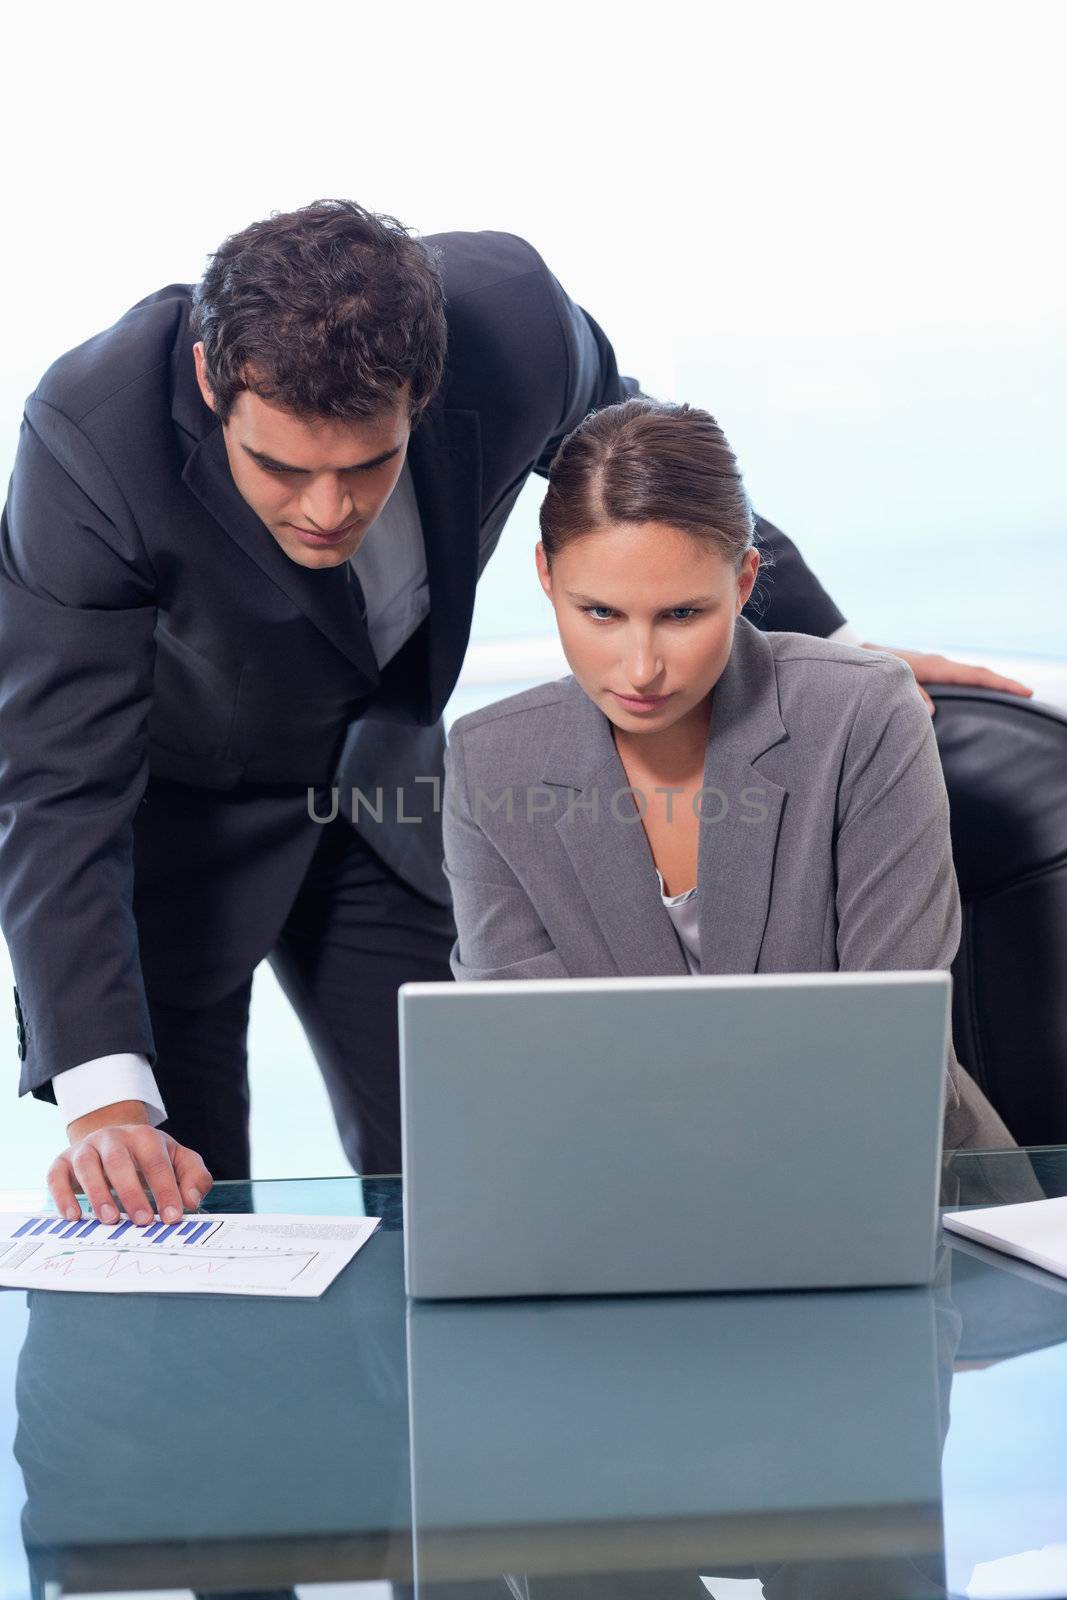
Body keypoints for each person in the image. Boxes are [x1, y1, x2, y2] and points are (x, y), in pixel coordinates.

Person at [2, 205, 1025, 1222]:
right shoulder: (93, 436)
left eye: (364, 466)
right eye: (281, 468)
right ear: (207, 383)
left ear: (426, 391)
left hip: (385, 793)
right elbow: (55, 776)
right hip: (177, 830)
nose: (325, 510)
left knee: (481, 1184)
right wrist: (105, 1106)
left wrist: (826, 656)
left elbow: (652, 482)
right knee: (174, 1206)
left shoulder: (514, 325)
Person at [441, 399, 1015, 1150]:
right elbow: (524, 1064)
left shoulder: (862, 713)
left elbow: (890, 1045)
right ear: (546, 576)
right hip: (613, 1188)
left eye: (681, 614)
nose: (640, 668)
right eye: (601, 613)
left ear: (744, 582)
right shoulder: (489, 759)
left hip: (886, 1166)